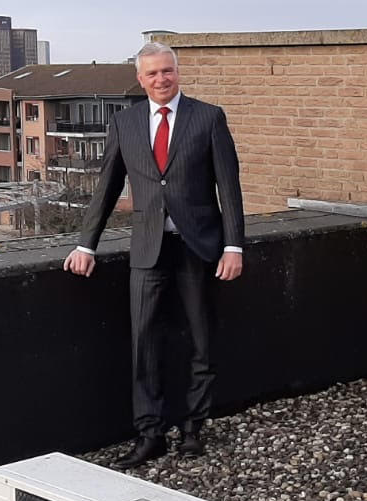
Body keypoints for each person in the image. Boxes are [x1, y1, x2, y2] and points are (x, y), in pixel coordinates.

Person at [64, 41, 245, 466]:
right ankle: (150, 434)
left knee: (200, 340)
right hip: (147, 248)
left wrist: (234, 245)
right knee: (143, 343)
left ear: (177, 72)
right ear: (140, 79)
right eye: (152, 74)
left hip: (198, 246)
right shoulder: (124, 123)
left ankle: (193, 429)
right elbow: (107, 185)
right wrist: (85, 244)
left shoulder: (208, 117)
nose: (161, 79)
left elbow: (229, 187)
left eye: (168, 71)